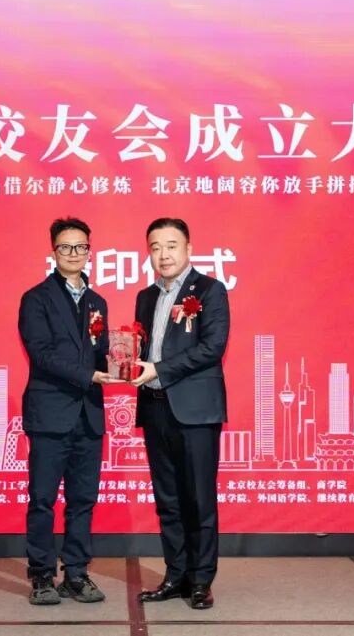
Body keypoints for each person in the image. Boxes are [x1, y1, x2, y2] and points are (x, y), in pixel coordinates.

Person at [131, 217, 230, 610]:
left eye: (171, 245)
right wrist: (125, 363)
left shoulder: (209, 290)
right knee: (168, 499)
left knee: (199, 499)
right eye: (155, 247)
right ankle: (175, 576)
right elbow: (142, 349)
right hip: (155, 408)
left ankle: (201, 580)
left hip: (195, 411)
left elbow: (213, 347)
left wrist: (159, 369)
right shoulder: (146, 296)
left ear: (188, 249)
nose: (163, 254)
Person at [18, 217, 117, 605]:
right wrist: (88, 374)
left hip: (88, 415)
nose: (74, 253)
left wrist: (124, 360)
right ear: (53, 251)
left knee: (83, 499)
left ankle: (76, 573)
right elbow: (41, 354)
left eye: (81, 247)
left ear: (90, 251)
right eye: (66, 247)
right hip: (50, 414)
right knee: (43, 499)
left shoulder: (97, 303)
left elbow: (101, 351)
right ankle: (42, 575)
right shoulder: (36, 299)